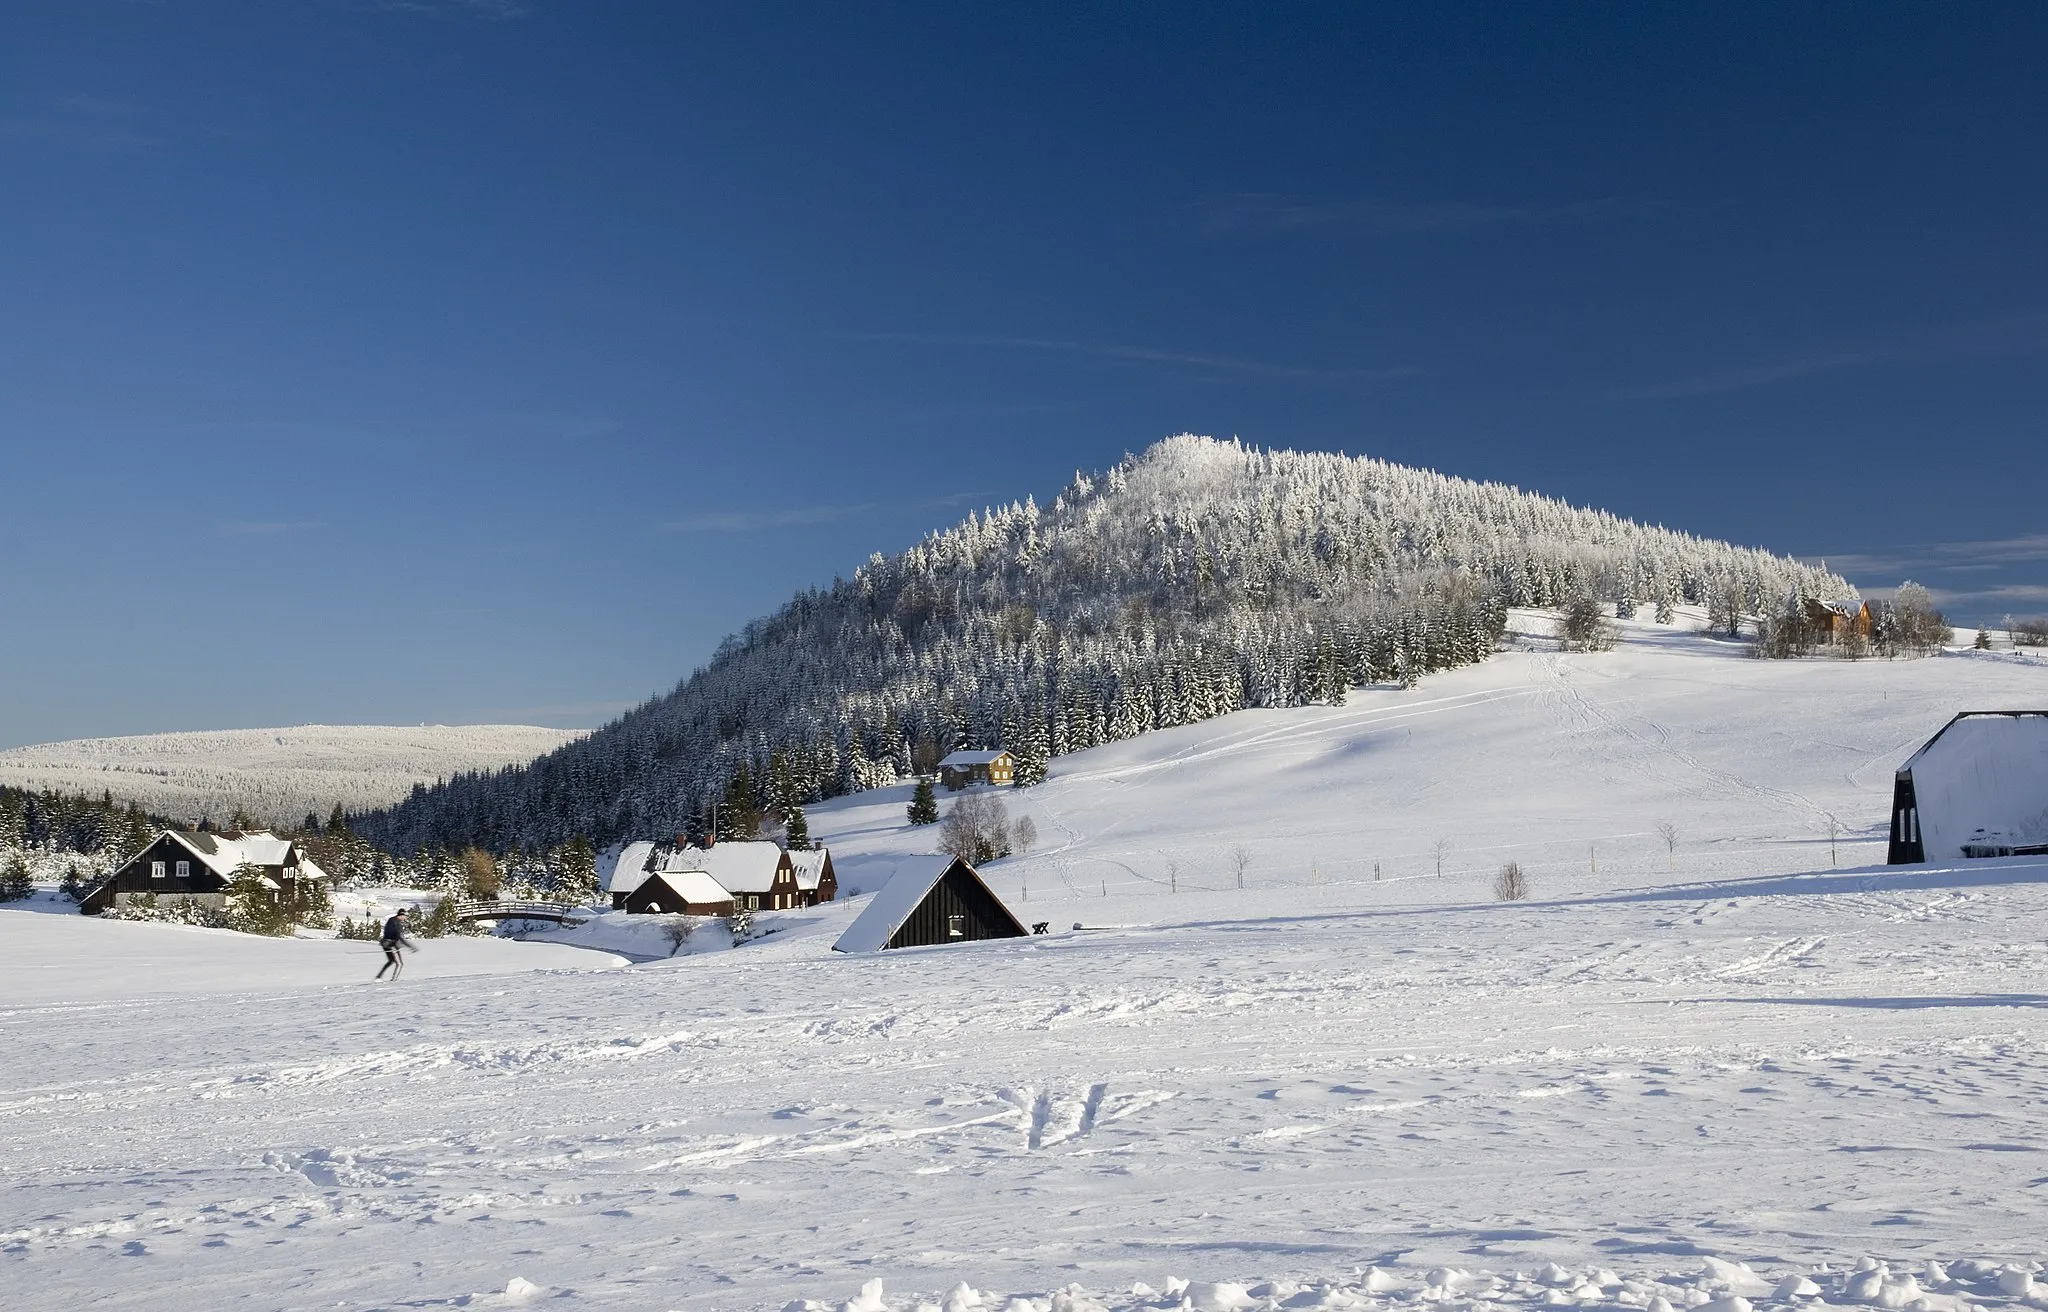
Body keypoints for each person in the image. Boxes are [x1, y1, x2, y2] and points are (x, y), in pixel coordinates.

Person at [374, 907, 416, 981]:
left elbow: (390, 932)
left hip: (386, 942)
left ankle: (379, 977)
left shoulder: (392, 920)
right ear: (402, 915)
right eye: (405, 916)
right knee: (399, 963)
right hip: (390, 944)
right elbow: (400, 938)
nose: (405, 917)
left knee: (391, 961)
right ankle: (394, 980)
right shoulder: (397, 924)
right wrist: (411, 947)